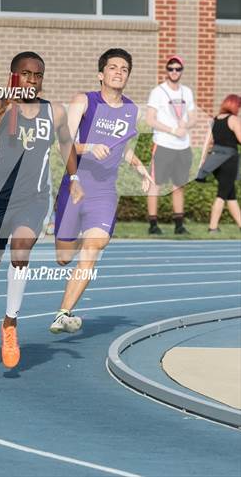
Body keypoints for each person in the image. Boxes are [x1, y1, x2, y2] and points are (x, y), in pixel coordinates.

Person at [0, 51, 83, 368]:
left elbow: (66, 145)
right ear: (13, 75)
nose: (32, 80)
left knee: (21, 252)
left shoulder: (53, 111)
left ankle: (10, 324)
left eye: (38, 74)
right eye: (26, 74)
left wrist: (74, 179)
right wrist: (4, 109)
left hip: (34, 198)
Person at [49, 48, 152, 334]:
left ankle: (63, 313)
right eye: (113, 68)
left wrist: (141, 168)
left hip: (104, 192)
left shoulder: (131, 110)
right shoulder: (84, 100)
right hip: (75, 186)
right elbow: (63, 143)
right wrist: (90, 147)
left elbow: (124, 147)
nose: (119, 72)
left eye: (124, 69)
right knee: (63, 258)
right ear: (101, 74)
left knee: (94, 246)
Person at [145, 55, 196, 235]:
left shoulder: (187, 92)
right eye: (171, 68)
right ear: (167, 70)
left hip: (182, 146)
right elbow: (150, 119)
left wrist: (185, 126)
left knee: (179, 185)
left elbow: (193, 118)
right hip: (163, 143)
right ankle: (153, 224)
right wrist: (172, 130)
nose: (174, 71)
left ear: (182, 70)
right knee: (156, 185)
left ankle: (179, 225)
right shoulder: (158, 91)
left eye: (178, 68)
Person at [197, 94, 241, 232]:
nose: (239, 109)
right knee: (222, 194)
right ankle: (213, 227)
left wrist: (203, 161)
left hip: (215, 160)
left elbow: (207, 142)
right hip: (229, 160)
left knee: (230, 195)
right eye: (239, 106)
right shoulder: (233, 119)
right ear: (234, 105)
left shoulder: (214, 120)